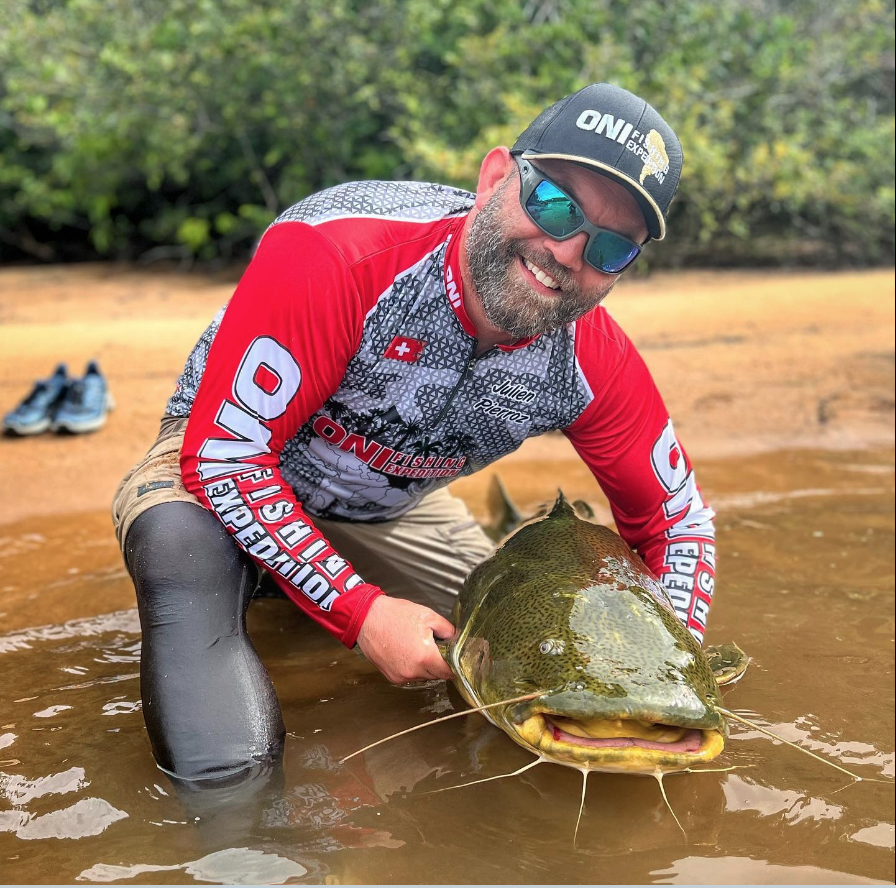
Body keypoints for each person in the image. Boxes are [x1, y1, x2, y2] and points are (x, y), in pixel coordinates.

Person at [112, 83, 716, 785]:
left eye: (611, 249)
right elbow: (229, 455)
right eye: (555, 205)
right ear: (495, 177)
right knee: (180, 548)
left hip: (396, 505)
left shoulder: (592, 358)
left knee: (526, 647)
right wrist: (360, 612)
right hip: (228, 456)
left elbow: (680, 521)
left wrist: (667, 664)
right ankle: (234, 830)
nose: (566, 250)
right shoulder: (339, 252)